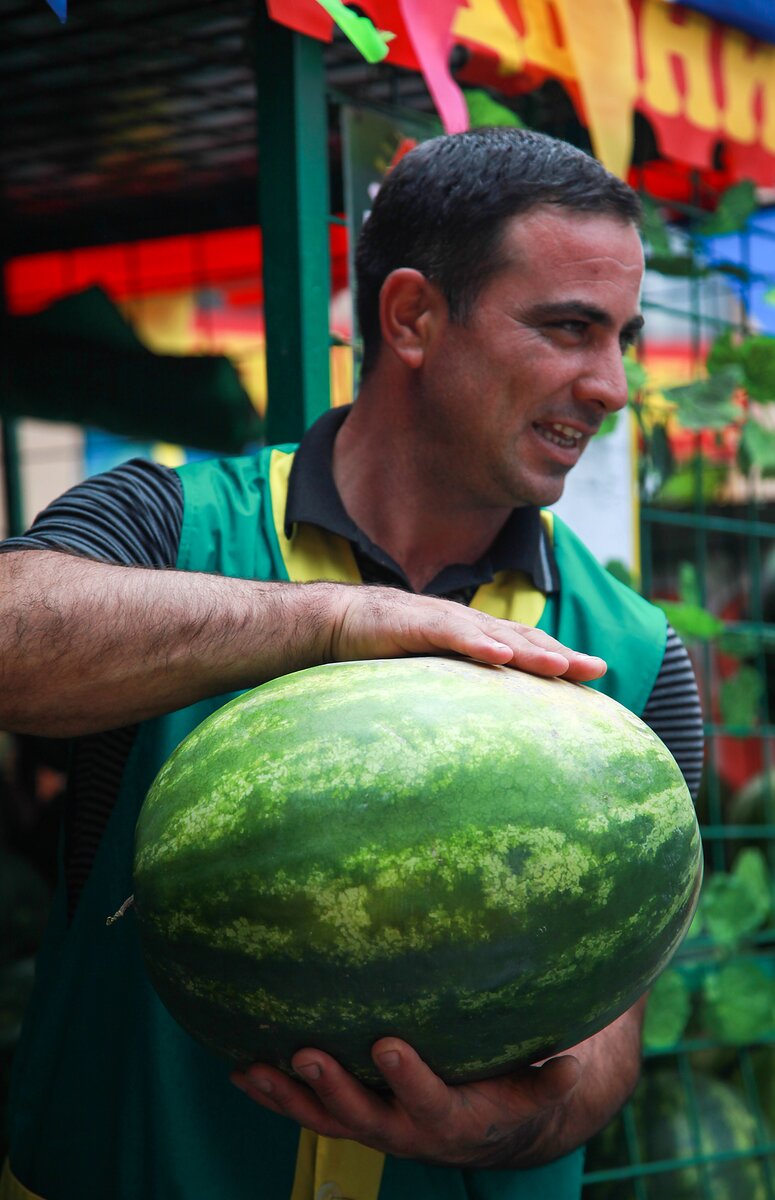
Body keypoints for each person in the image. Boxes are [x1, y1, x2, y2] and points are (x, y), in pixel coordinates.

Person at [0, 127, 703, 1200]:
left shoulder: (639, 656)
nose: (610, 385)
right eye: (568, 328)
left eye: (622, 338)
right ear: (411, 316)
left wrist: (512, 1127)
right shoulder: (168, 524)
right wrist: (336, 620)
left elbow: (607, 1042)